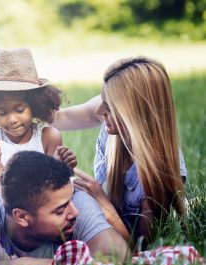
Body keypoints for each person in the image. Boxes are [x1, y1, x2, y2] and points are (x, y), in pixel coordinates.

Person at [51, 56, 187, 246]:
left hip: (115, 240)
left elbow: (138, 248)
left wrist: (101, 202)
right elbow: (56, 119)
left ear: (134, 113)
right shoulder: (114, 132)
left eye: (109, 107)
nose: (99, 110)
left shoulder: (159, 175)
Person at [0, 151, 128, 265]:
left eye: (70, 200)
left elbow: (118, 257)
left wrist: (26, 264)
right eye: (59, 210)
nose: (74, 213)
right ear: (22, 217)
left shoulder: (77, 202)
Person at [0, 48, 77, 194]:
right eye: (2, 112)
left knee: (81, 195)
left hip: (46, 204)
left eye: (19, 110)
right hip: (8, 208)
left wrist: (62, 168)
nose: (12, 120)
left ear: (35, 105)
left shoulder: (49, 136)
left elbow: (53, 191)